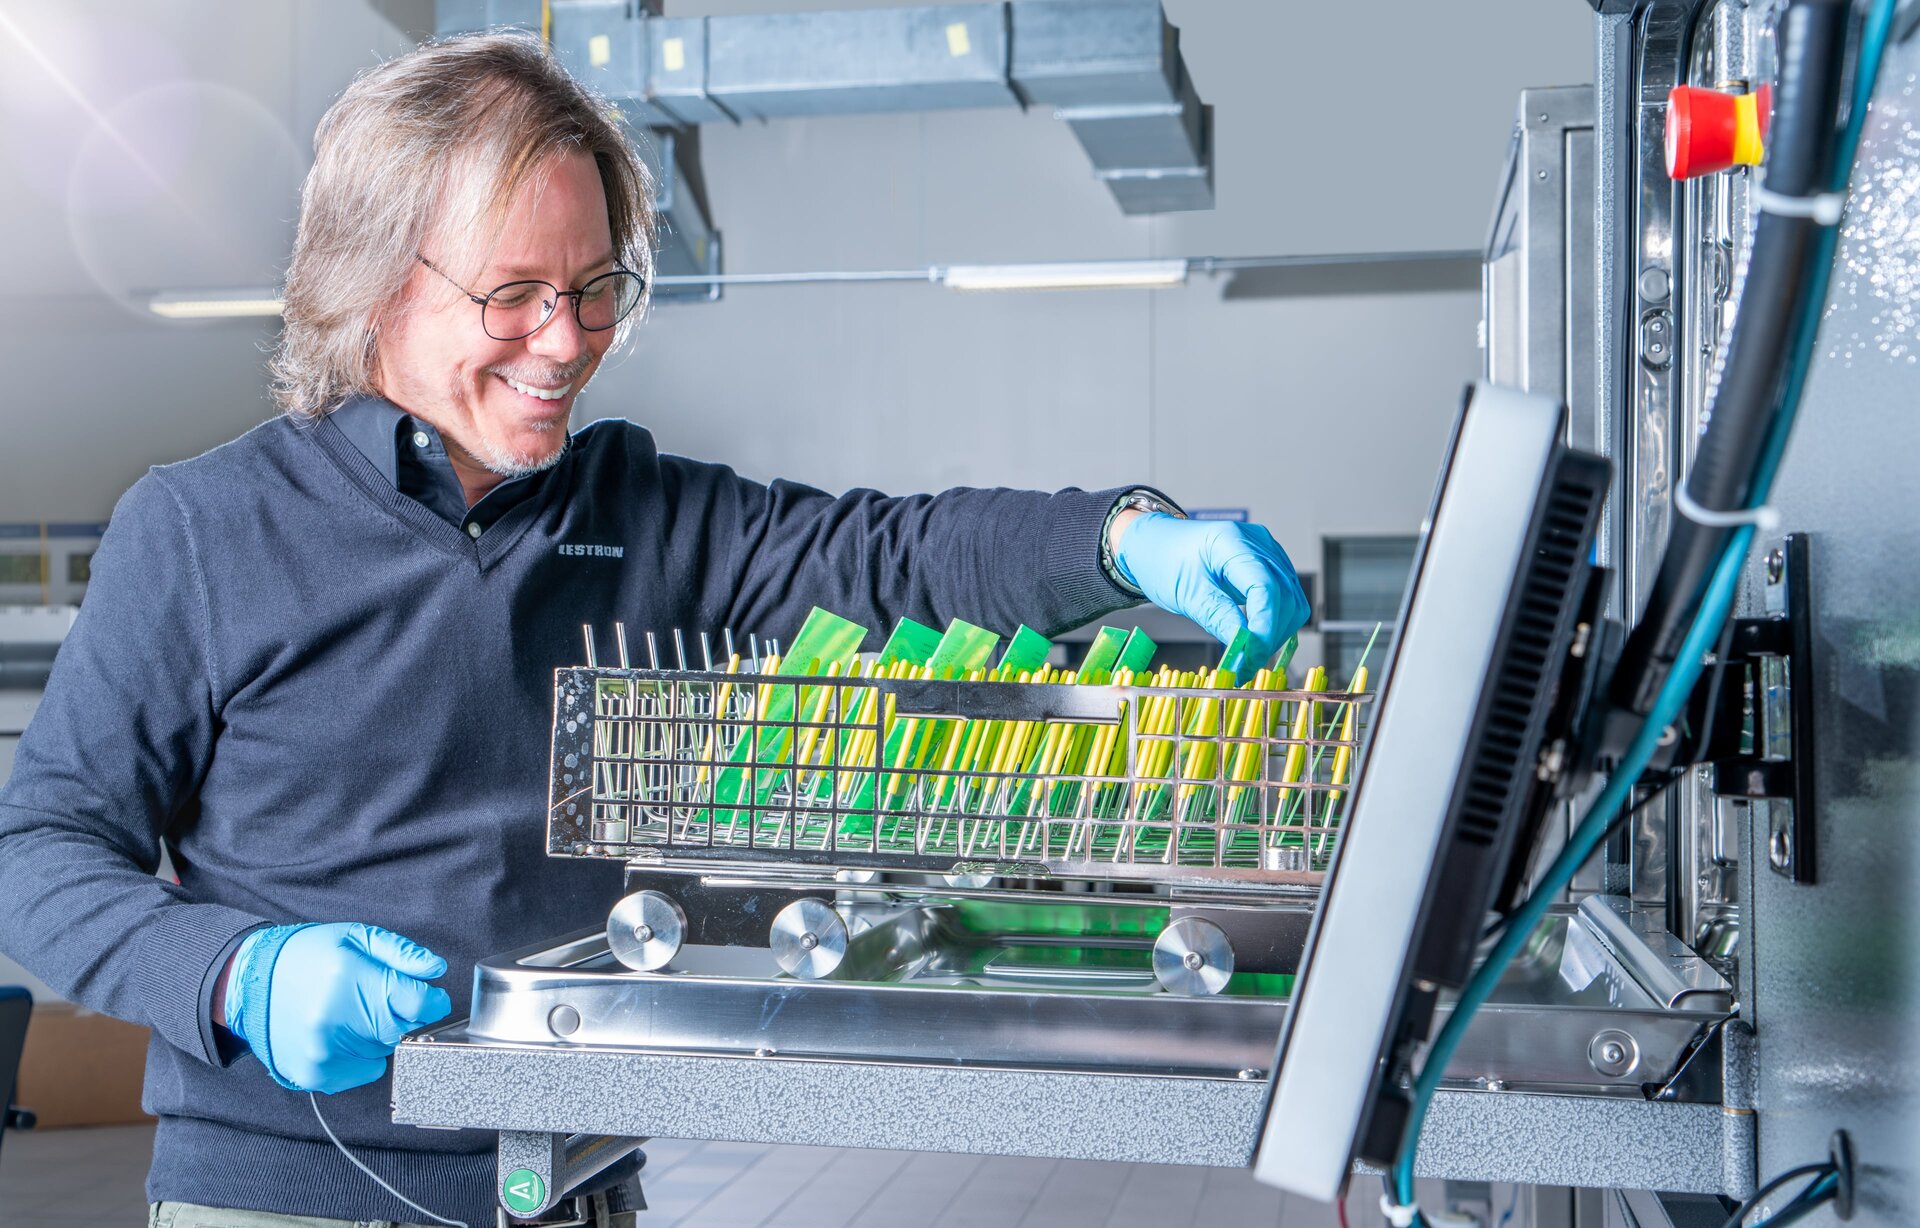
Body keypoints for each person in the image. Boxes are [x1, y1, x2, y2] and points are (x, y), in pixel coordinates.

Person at [0, 30, 1309, 1228]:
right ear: (378, 284)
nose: (565, 340)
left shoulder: (644, 511)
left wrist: (1119, 540)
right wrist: (240, 975)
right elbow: (38, 851)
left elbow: (886, 553)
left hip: (576, 1182)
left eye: (596, 287)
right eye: (515, 292)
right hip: (291, 1196)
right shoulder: (204, 530)